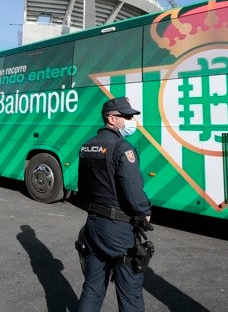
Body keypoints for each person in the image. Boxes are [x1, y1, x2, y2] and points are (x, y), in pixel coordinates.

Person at [76, 97, 153, 312]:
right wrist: (145, 212)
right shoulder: (122, 149)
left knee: (92, 289)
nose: (131, 120)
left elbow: (83, 190)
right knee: (130, 295)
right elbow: (134, 192)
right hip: (119, 232)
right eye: (126, 116)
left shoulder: (86, 147)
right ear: (111, 118)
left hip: (93, 227)